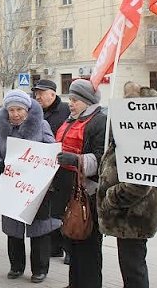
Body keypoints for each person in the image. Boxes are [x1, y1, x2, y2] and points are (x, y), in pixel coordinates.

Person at [97, 84, 157, 288]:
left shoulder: (145, 137)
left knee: (133, 268)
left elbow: (140, 183)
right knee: (129, 266)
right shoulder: (129, 133)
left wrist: (111, 198)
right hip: (125, 216)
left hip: (134, 215)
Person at [0, 89, 58, 283]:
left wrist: (38, 164)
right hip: (11, 187)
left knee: (39, 230)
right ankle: (16, 266)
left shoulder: (41, 125)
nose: (15, 114)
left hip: (35, 187)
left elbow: (52, 150)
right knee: (14, 230)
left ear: (27, 110)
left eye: (19, 109)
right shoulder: (2, 128)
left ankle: (40, 269)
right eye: (11, 110)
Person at [55, 78, 107, 288]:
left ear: (88, 101)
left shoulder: (99, 121)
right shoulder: (71, 119)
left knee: (88, 244)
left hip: (89, 192)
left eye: (76, 99)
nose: (71, 102)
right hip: (69, 190)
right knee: (73, 239)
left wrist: (76, 160)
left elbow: (102, 157)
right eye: (70, 98)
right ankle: (74, 283)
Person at [33, 79, 71, 261]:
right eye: (36, 93)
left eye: (42, 93)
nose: (38, 96)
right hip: (43, 168)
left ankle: (69, 249)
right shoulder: (35, 111)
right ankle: (54, 247)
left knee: (65, 210)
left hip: (63, 168)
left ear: (53, 94)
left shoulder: (65, 110)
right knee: (51, 210)